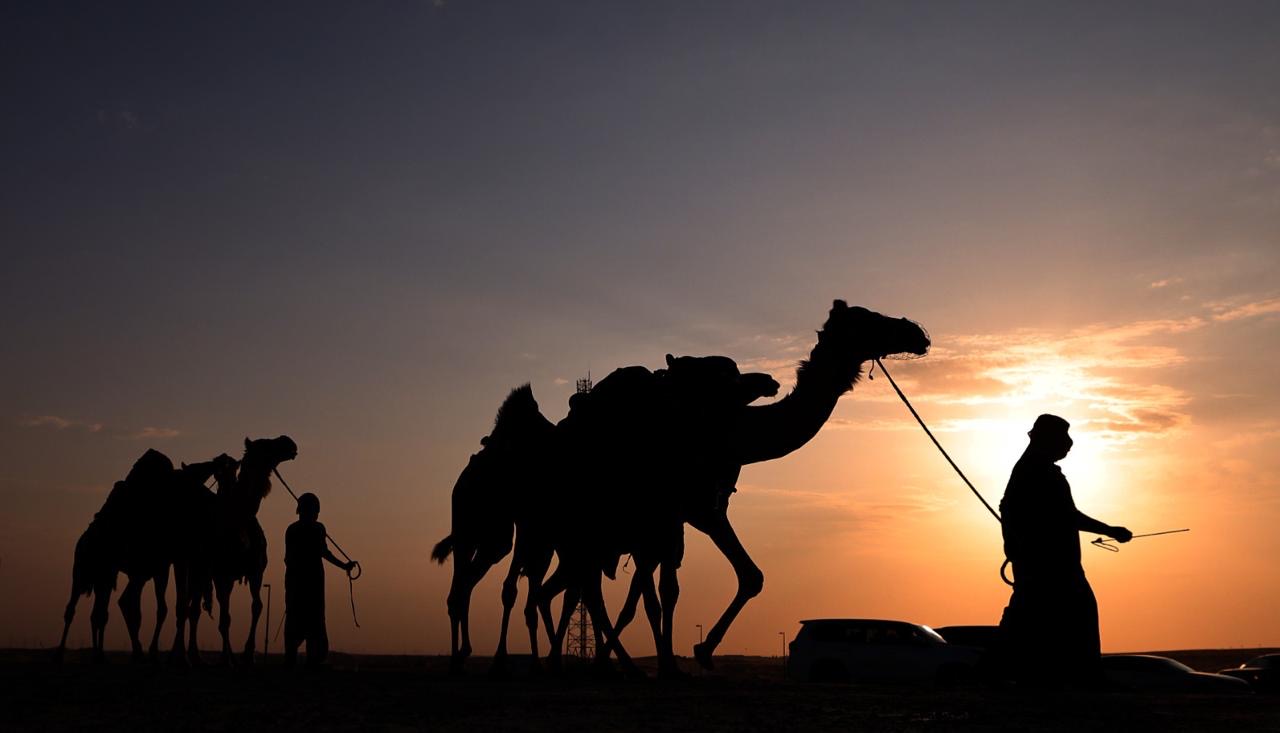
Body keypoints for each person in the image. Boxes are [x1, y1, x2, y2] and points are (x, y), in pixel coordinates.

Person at [998, 414, 1132, 687]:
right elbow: (1066, 515)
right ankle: (1083, 677)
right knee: (1075, 614)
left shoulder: (1031, 469)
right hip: (1052, 567)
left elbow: (1010, 509)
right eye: (1063, 438)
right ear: (1047, 439)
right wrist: (1109, 530)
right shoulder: (1037, 471)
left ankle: (1018, 673)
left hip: (1042, 564)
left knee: (1031, 619)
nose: (1069, 444)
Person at [283, 492, 355, 668]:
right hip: (310, 582)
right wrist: (344, 566)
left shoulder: (293, 529)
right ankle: (311, 660)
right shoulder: (316, 529)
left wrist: (344, 565)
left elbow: (288, 559)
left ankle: (296, 660)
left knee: (297, 618)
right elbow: (325, 553)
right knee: (312, 620)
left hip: (296, 582)